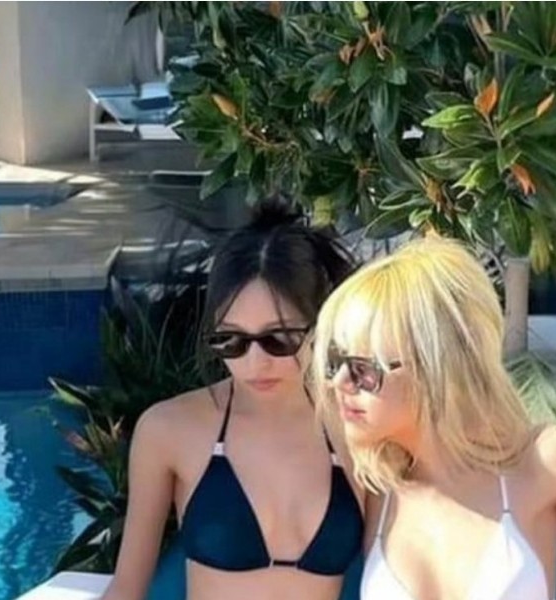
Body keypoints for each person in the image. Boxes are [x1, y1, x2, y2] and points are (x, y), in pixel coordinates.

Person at [312, 236, 556, 600]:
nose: (339, 383)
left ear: (436, 366)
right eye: (336, 363)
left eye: (363, 370)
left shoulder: (547, 463)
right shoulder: (377, 485)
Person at [102, 197, 364, 600]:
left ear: (321, 323)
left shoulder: (358, 427)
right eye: (231, 340)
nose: (255, 363)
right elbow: (126, 590)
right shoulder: (170, 429)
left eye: (279, 338)